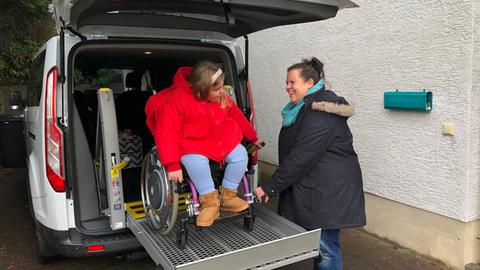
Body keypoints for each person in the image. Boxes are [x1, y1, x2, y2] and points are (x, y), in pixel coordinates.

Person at [254, 57, 366, 270]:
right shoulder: (301, 108)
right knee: (317, 244)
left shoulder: (320, 112)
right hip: (316, 186)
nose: (287, 86)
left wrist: (271, 186)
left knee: (325, 248)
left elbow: (302, 155)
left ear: (309, 83)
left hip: (328, 192)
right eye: (286, 82)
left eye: (292, 82)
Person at [145, 60, 262, 227]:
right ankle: (210, 202)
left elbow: (237, 116)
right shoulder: (177, 101)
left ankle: (228, 195)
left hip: (222, 141)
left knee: (240, 155)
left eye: (222, 87)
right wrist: (172, 164)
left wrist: (253, 137)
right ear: (201, 89)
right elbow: (166, 132)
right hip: (194, 144)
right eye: (217, 89)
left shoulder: (222, 97)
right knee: (195, 162)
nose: (222, 92)